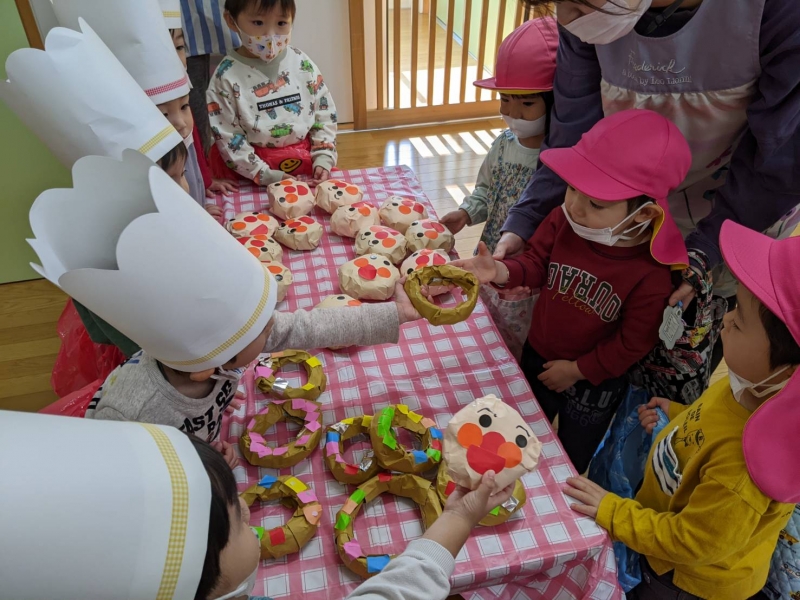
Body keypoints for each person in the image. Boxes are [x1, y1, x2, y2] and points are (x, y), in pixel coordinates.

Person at [28, 150, 421, 467]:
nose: (274, 326)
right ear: (208, 368)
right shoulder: (135, 414)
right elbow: (133, 479)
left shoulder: (222, 345)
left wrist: (396, 314)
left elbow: (312, 326)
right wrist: (200, 462)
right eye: (264, 328)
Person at [496, 0, 800, 399]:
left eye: (581, 3)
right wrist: (526, 219)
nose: (567, 18)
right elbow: (572, 132)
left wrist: (705, 250)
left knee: (665, 376)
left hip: (733, 217)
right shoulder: (585, 19)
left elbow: (777, 164)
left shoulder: (779, 14)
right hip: (615, 220)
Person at [564, 220, 800, 600]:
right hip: (662, 523)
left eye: (739, 322)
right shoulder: (748, 387)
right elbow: (714, 415)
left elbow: (688, 542)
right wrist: (675, 413)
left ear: (787, 372)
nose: (726, 320)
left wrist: (612, 511)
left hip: (682, 579)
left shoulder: (742, 474)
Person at [453, 109, 691, 473]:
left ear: (644, 214)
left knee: (572, 454)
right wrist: (500, 270)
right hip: (538, 352)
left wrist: (577, 370)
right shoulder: (563, 220)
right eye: (573, 187)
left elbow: (632, 343)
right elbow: (535, 263)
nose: (575, 207)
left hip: (594, 381)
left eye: (596, 202)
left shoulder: (652, 273)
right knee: (517, 432)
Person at [439, 17, 557, 254]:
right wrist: (465, 213)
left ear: (555, 101)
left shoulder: (557, 158)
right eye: (505, 99)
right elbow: (486, 190)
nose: (513, 112)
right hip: (492, 248)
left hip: (532, 258)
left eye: (527, 103)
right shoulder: (502, 145)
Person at [207, 0, 337, 185]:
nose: (270, 35)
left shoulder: (301, 63)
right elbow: (227, 135)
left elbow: (323, 113)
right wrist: (264, 174)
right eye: (258, 22)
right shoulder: (225, 77)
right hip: (250, 172)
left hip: (307, 163)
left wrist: (323, 155)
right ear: (231, 20)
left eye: (281, 23)